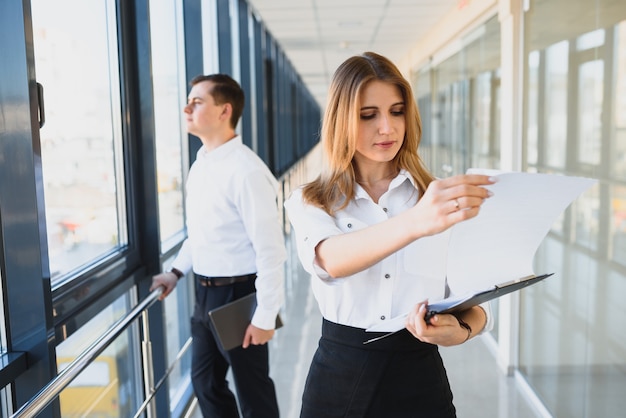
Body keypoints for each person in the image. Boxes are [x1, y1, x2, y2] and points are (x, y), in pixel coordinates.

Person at [284, 52, 495, 418]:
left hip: (419, 378)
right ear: (341, 121)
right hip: (339, 379)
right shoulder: (311, 199)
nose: (387, 127)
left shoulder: (436, 197)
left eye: (397, 111)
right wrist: (417, 222)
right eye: (368, 116)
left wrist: (459, 331)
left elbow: (474, 309)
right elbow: (331, 260)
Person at [151, 74, 286, 418]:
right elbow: (201, 233)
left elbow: (271, 251)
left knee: (253, 395)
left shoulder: (246, 171)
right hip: (205, 294)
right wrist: (176, 272)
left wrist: (265, 315)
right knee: (205, 384)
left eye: (197, 102)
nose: (186, 108)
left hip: (238, 296)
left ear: (225, 110)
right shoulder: (201, 164)